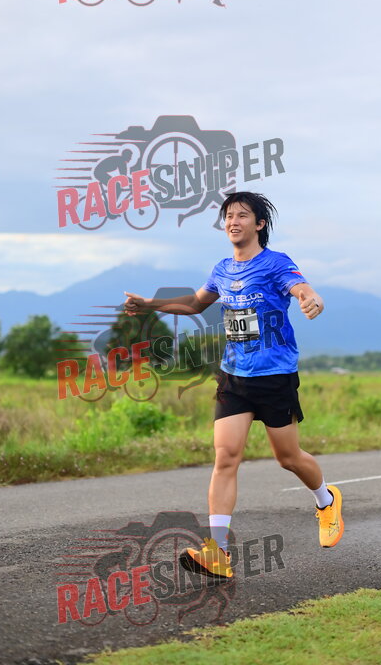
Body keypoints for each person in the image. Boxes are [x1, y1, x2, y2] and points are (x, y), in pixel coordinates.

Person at [124, 191, 344, 578]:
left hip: (274, 376)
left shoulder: (276, 263)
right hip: (234, 376)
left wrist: (313, 300)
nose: (232, 222)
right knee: (225, 457)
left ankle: (326, 501)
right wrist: (149, 305)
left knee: (288, 458)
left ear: (259, 224)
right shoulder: (222, 269)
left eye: (241, 215)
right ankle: (218, 552)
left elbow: (302, 289)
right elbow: (195, 303)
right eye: (227, 216)